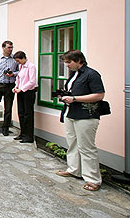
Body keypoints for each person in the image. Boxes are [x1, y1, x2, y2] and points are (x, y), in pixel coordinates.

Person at [55, 50, 105, 192]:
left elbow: (99, 95)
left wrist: (75, 99)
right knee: (73, 143)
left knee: (86, 147)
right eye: (65, 62)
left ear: (78, 60)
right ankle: (74, 169)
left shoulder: (91, 74)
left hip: (86, 115)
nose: (66, 65)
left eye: (69, 62)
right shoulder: (74, 75)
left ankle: (93, 179)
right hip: (71, 113)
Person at [12, 51, 38, 143]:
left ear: (23, 58)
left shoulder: (31, 66)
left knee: (28, 114)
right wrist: (16, 87)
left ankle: (28, 136)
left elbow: (32, 81)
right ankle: (22, 133)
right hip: (21, 91)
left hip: (28, 92)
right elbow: (19, 78)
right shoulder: (21, 66)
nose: (18, 63)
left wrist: (22, 89)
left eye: (18, 60)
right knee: (21, 112)